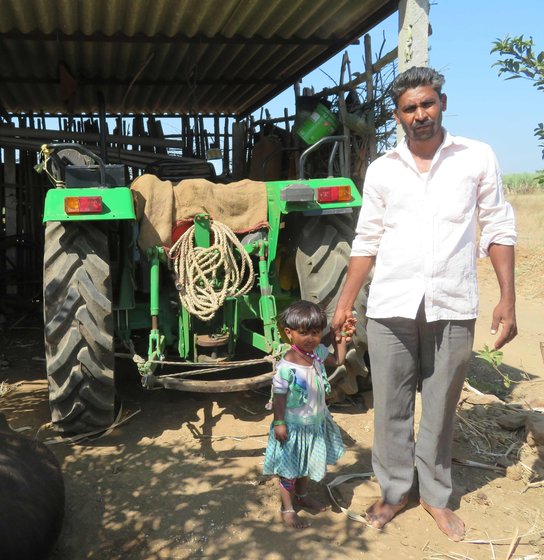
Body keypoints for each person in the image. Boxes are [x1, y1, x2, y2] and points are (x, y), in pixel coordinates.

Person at [331, 66, 517, 541]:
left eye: (427, 104)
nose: (420, 115)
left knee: (440, 404)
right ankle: (396, 492)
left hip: (453, 303)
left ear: (442, 104)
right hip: (391, 305)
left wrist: (508, 299)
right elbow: (366, 239)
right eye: (410, 108)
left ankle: (434, 495)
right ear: (398, 116)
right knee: (390, 404)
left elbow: (497, 226)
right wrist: (345, 302)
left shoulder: (476, 157)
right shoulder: (382, 170)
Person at [263, 300, 355, 529]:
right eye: (303, 333)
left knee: (303, 466)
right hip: (293, 426)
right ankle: (287, 508)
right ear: (289, 332)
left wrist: (341, 341)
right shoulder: (287, 366)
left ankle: (302, 496)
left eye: (315, 333)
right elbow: (279, 397)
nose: (310, 338)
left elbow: (339, 361)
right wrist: (279, 423)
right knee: (289, 471)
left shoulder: (318, 353)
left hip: (314, 424)